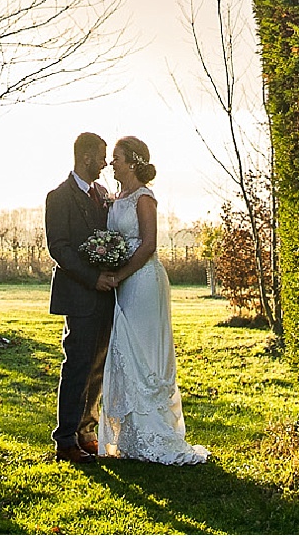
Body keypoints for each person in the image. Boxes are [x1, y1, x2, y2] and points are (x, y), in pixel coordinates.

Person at [94, 136, 210, 464]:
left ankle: (157, 435)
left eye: (116, 158)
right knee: (124, 350)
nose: (111, 163)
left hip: (143, 281)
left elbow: (147, 246)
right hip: (124, 282)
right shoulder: (116, 198)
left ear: (132, 162)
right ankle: (131, 438)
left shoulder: (145, 198)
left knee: (143, 350)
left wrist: (120, 274)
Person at [44, 132, 114, 461]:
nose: (105, 162)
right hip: (79, 294)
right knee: (77, 365)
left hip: (105, 296)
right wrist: (93, 278)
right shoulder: (58, 197)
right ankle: (65, 439)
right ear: (86, 157)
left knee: (98, 366)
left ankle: (87, 431)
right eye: (101, 156)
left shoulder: (102, 193)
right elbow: (59, 248)